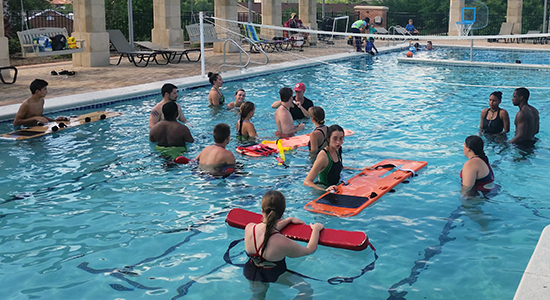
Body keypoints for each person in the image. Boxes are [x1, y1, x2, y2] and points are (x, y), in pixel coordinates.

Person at [244, 190, 323, 296]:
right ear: (281, 213)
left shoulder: (249, 228)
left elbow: (267, 231)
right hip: (273, 274)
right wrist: (316, 230)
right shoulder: (282, 242)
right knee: (306, 290)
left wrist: (288, 221)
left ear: (262, 209)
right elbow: (310, 250)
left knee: (258, 295)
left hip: (250, 271)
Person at [304, 124, 346, 192]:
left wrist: (359, 169)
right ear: (328, 138)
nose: (338, 142)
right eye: (335, 139)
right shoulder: (323, 156)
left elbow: (338, 167)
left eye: (341, 138)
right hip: (322, 191)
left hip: (335, 188)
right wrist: (325, 190)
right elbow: (307, 181)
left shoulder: (337, 150)